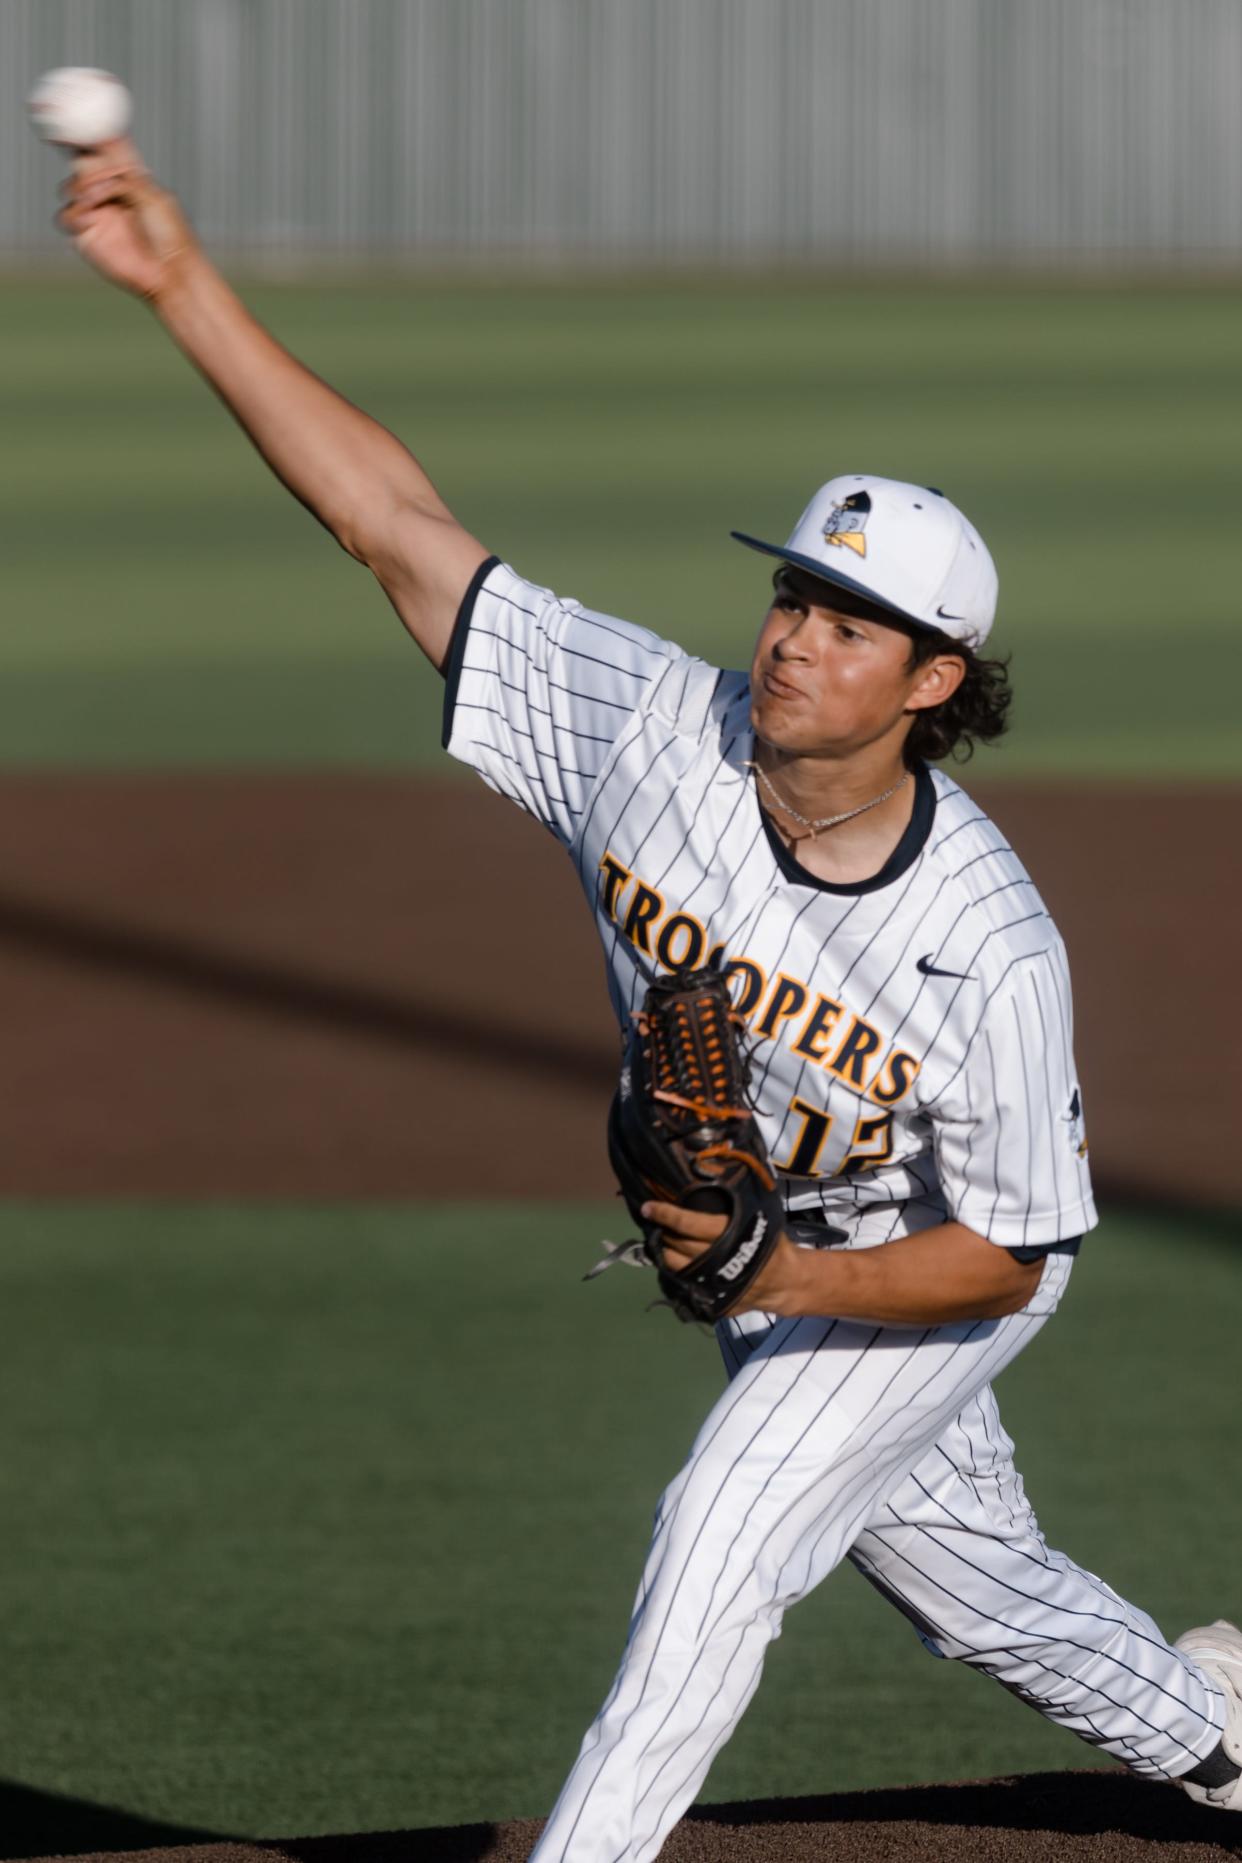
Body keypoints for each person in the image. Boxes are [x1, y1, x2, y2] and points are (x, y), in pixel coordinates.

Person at [58, 143, 1241, 1860]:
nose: (790, 638)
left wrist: (788, 1275)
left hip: (922, 1268)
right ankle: (1214, 1736)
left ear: (931, 684)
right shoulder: (644, 730)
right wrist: (180, 285)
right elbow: (395, 528)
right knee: (981, 1598)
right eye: (790, 595)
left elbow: (1014, 1253)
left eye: (849, 626)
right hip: (770, 1249)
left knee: (721, 1535)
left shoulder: (987, 943)